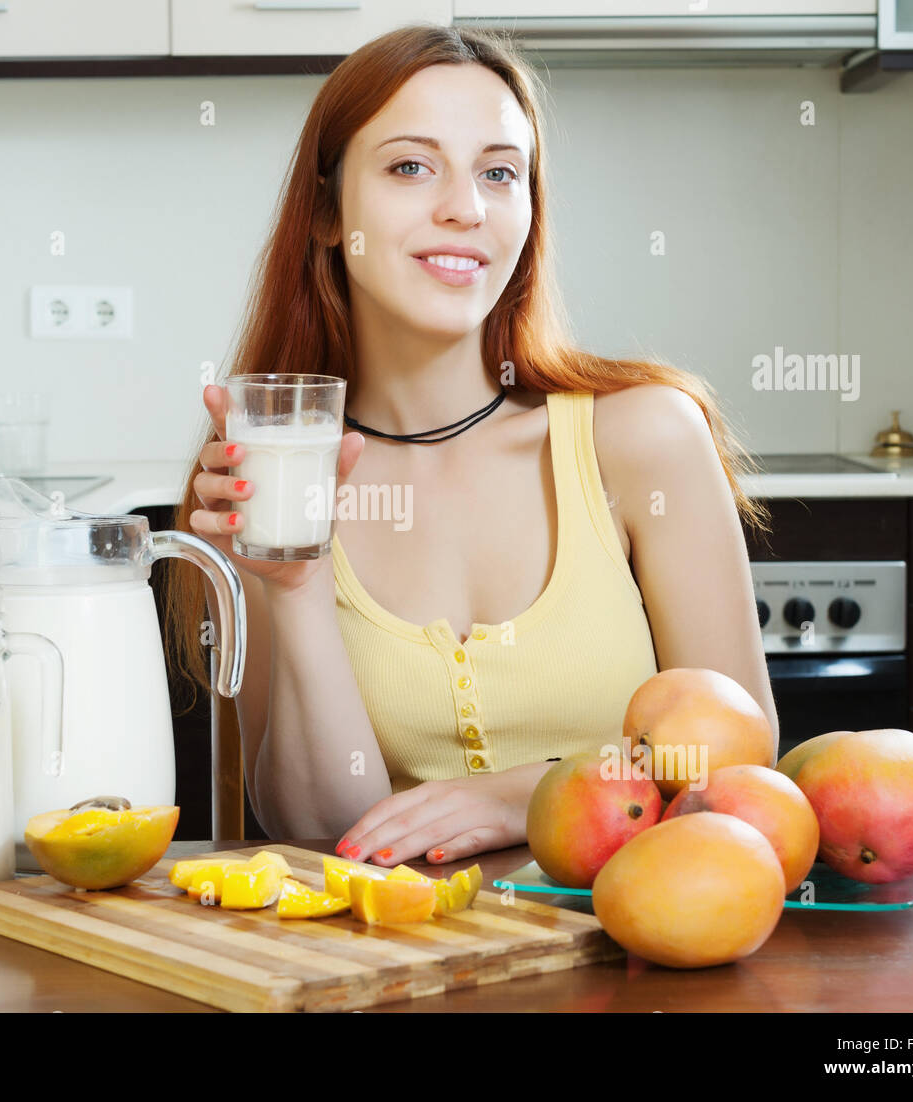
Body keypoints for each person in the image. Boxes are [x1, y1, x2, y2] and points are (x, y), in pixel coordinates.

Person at [167, 24, 776, 870]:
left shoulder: (641, 436)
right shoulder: (270, 472)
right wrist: (294, 589)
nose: (466, 207)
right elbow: (324, 830)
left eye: (499, 172)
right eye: (411, 166)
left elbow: (742, 758)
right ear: (324, 215)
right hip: (397, 975)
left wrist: (524, 793)